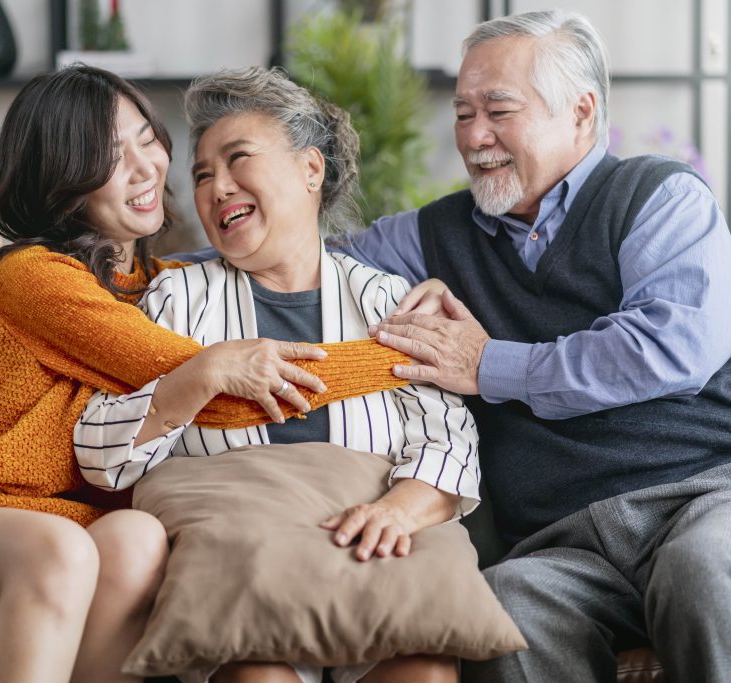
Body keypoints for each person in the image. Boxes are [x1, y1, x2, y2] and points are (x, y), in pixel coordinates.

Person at [0, 65, 413, 683]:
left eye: (147, 138)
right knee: (58, 552)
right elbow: (220, 395)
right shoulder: (37, 276)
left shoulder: (164, 286)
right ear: (64, 179)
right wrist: (409, 356)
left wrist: (413, 301)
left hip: (65, 541)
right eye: (109, 158)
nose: (145, 168)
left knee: (138, 535)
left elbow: (300, 250)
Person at [339, 10, 731, 682]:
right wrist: (150, 274)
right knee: (502, 616)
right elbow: (301, 266)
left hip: (719, 499)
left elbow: (666, 345)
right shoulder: (436, 235)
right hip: (566, 546)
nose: (474, 136)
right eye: (462, 113)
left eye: (498, 110)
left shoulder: (658, 198)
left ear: (581, 112)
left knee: (702, 574)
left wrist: (488, 364)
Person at [74, 66, 480, 683]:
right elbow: (99, 452)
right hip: (244, 585)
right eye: (203, 175)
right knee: (255, 674)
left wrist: (399, 511)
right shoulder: (176, 301)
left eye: (239, 159)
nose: (217, 187)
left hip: (374, 566)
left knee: (424, 667)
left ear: (310, 170)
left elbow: (449, 440)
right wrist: (203, 375)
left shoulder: (387, 302)